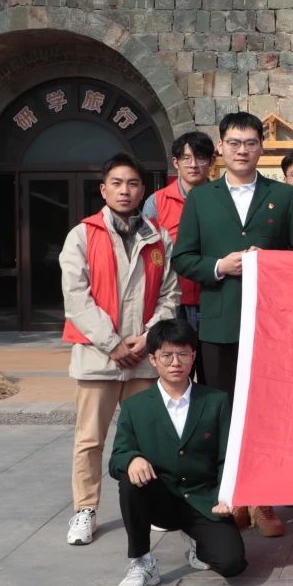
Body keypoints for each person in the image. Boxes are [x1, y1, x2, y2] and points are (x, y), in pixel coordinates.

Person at [171, 111, 293, 539]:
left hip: (271, 324)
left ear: (261, 148)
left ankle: (264, 498)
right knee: (223, 412)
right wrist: (220, 266)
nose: (242, 150)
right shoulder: (201, 199)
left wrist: (269, 263)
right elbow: (183, 258)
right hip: (219, 323)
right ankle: (230, 495)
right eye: (234, 143)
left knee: (266, 411)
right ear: (221, 148)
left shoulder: (283, 196)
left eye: (250, 143)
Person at [59, 153, 180, 547]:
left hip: (143, 357)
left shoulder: (159, 237)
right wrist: (112, 344)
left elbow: (170, 295)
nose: (124, 190)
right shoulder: (82, 235)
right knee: (90, 439)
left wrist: (147, 337)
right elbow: (76, 298)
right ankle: (85, 509)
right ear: (103, 189)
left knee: (148, 438)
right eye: (116, 183)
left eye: (132, 183)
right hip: (98, 356)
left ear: (143, 190)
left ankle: (152, 505)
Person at [109, 318, 248, 586]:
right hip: (161, 499)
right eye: (167, 355)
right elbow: (117, 457)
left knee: (232, 564)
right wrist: (132, 459)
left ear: (193, 356)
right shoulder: (135, 406)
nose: (176, 362)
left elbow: (228, 455)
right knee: (129, 481)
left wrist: (227, 495)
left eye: (183, 354)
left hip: (203, 500)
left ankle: (197, 542)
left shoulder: (216, 400)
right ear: (153, 359)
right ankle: (142, 561)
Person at [143, 131, 215, 344]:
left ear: (211, 161)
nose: (193, 165)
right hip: (171, 301)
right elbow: (146, 254)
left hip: (212, 298)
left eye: (200, 157)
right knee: (174, 360)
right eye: (186, 158)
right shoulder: (156, 202)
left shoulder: (224, 199)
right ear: (175, 162)